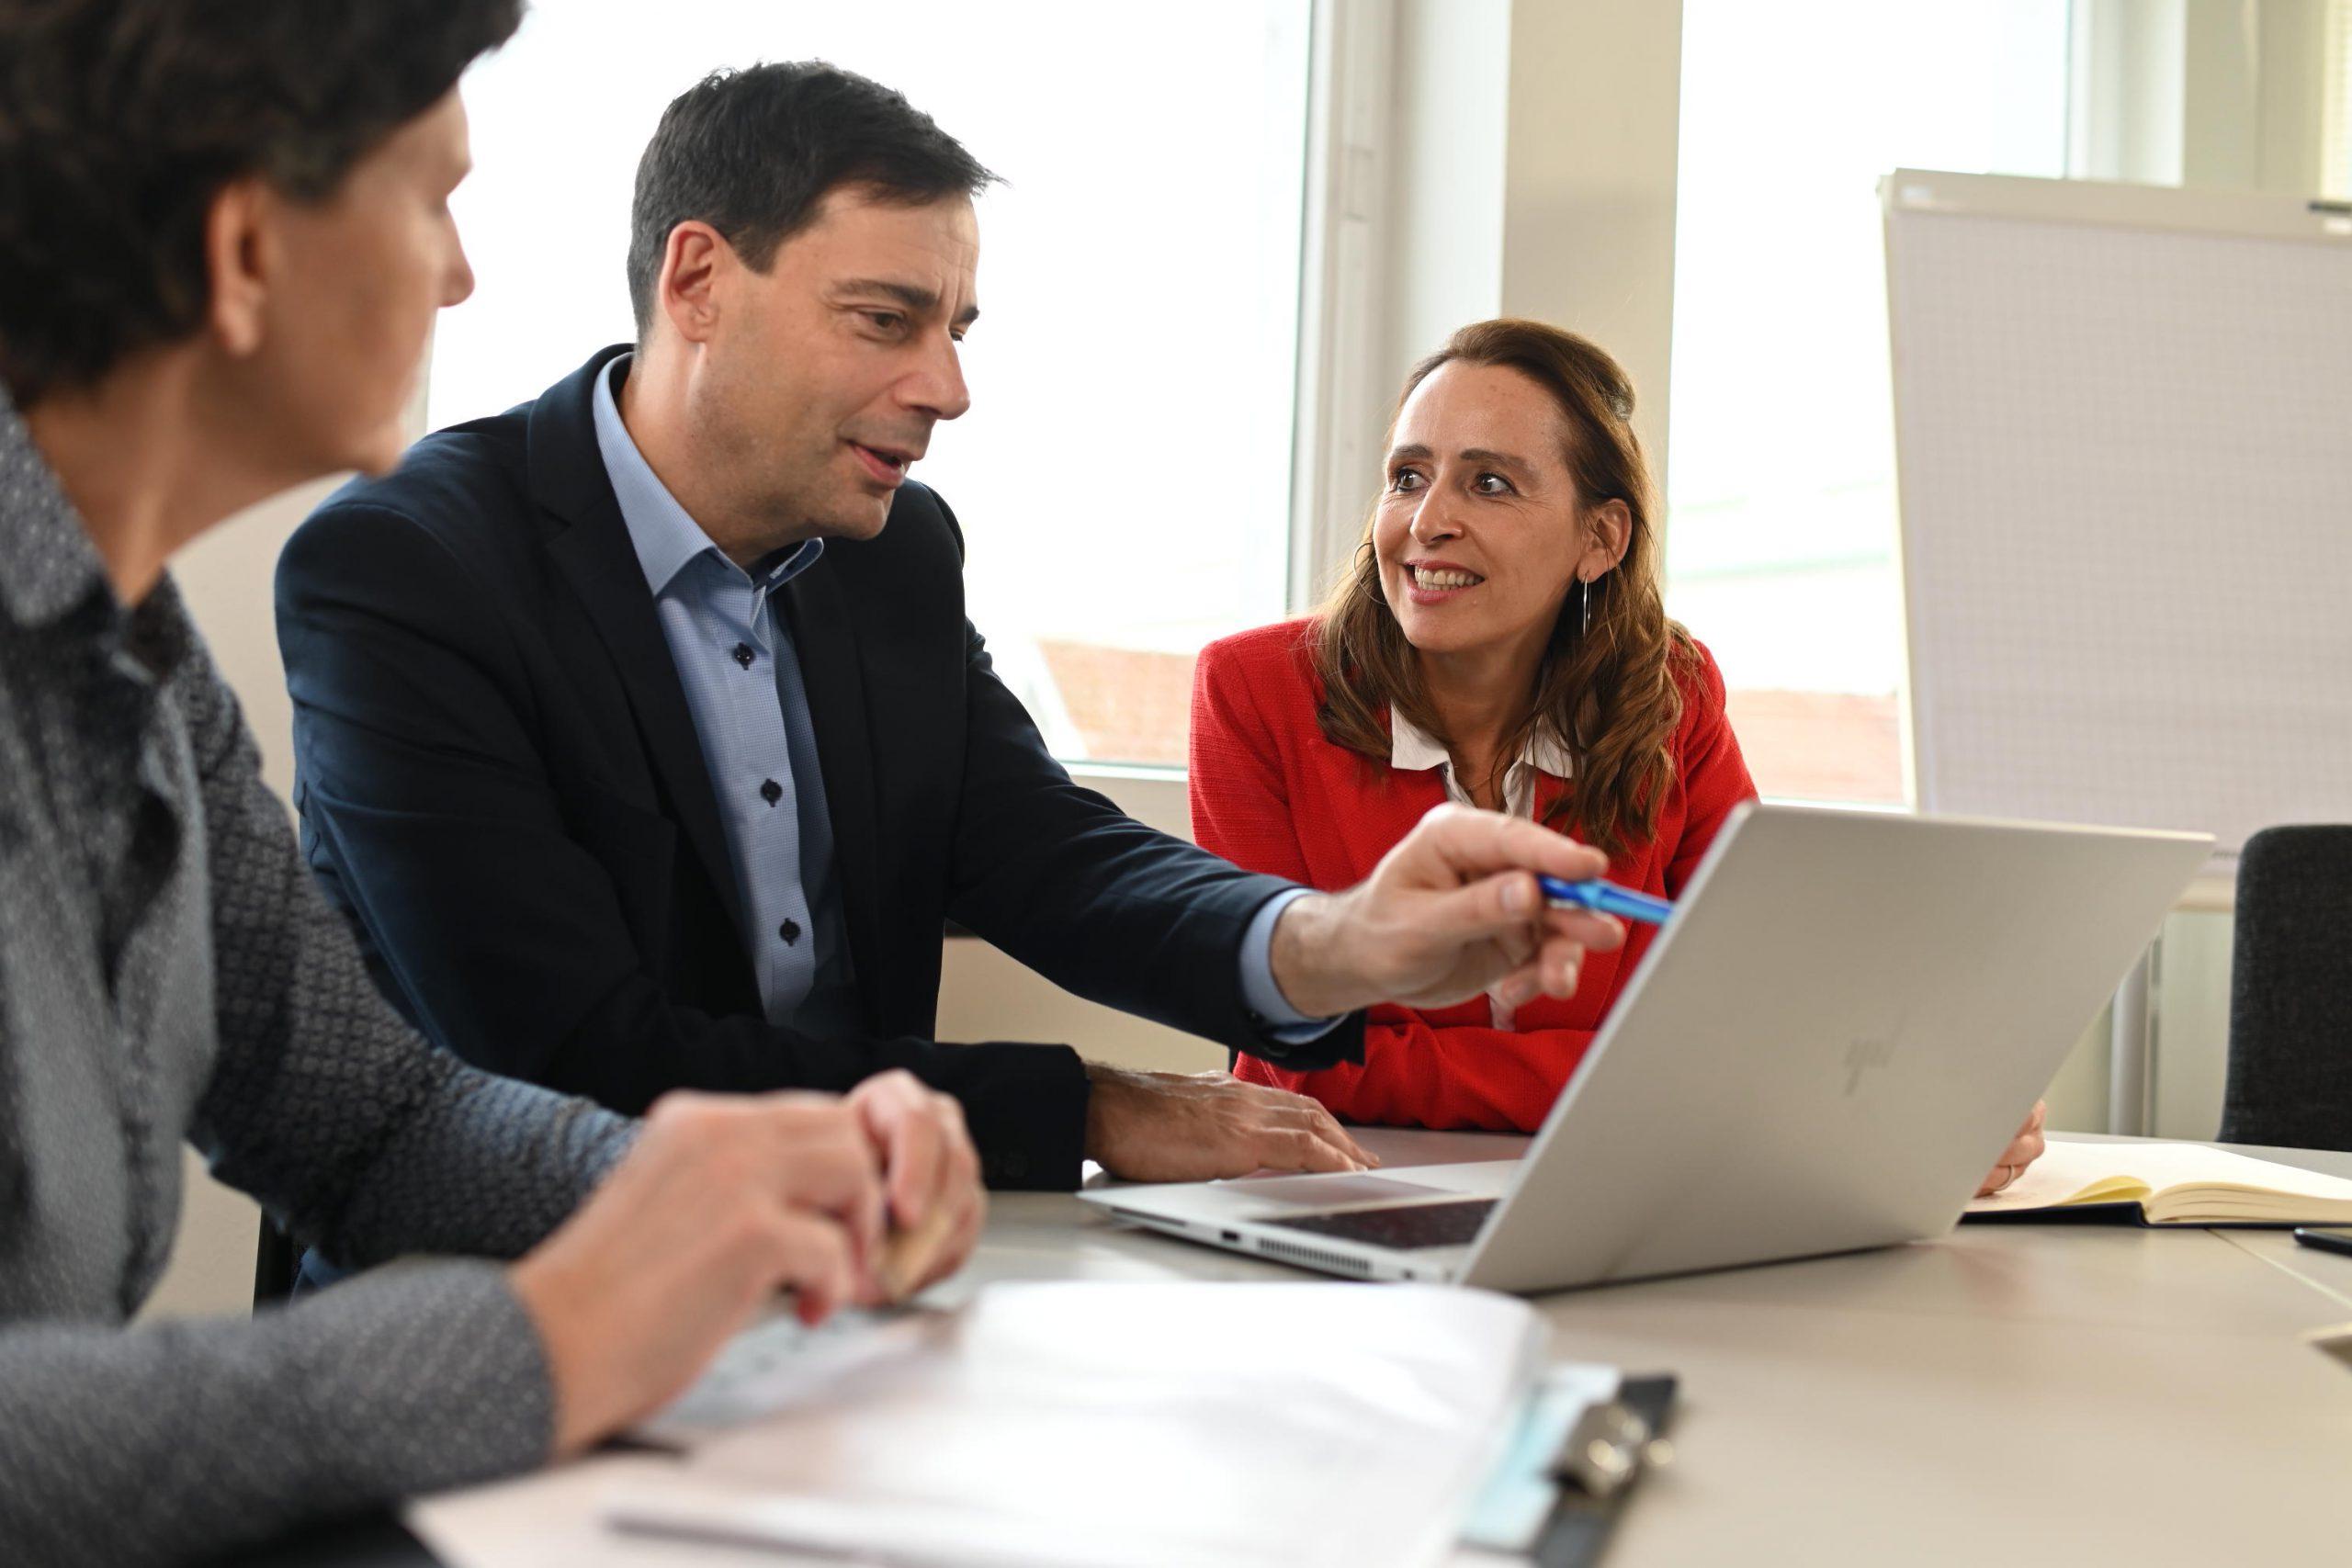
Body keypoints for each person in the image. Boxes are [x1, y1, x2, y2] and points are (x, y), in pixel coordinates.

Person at [275, 62, 1628, 1204]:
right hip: (508, 1311)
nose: (950, 388)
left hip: (852, 1278)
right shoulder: (408, 571)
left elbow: (1047, 850)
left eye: (957, 327)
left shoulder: (892, 553)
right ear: (698, 280)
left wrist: (1331, 940)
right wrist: (1078, 1103)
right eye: (887, 320)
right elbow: (575, 1055)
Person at [0, 6, 986, 1561]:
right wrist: (539, 1345)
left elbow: (372, 1123)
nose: (459, 272)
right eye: (434, 195)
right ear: (249, 246)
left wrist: (721, 1183)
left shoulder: (137, 665)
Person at [1190, 318, 2048, 1196]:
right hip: (1331, 1195)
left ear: (1600, 540)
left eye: (1488, 483)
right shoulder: (1254, 691)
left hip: (1615, 1193)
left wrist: (1926, 1094)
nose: (1427, 520)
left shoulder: (1671, 692)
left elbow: (1770, 992)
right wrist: (1668, 1081)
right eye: (1407, 477)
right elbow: (1306, 1056)